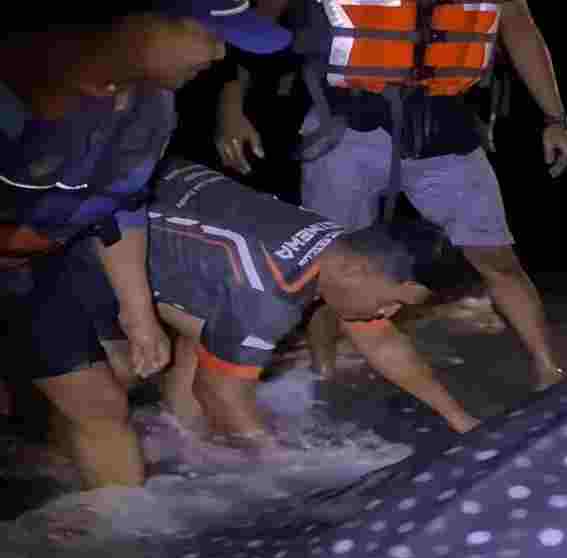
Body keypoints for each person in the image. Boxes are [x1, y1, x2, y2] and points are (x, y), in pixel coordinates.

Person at [0, 2, 292, 489]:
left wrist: (140, 317)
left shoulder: (153, 107)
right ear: (141, 20)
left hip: (40, 261)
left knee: (104, 400)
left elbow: (119, 208)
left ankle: (120, 540)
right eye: (210, 35)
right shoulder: (17, 84)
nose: (220, 54)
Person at [215, 0, 567, 393]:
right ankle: (323, 377)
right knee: (328, 266)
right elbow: (253, 24)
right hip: (345, 123)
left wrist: (555, 118)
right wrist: (230, 105)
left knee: (497, 259)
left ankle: (549, 372)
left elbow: (520, 28)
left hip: (445, 124)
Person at [142, 158, 480, 446]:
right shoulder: (267, 300)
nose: (389, 314)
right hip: (106, 230)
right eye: (391, 303)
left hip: (163, 181)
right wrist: (276, 465)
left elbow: (382, 342)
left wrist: (460, 419)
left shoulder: (336, 248)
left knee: (215, 333)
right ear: (355, 269)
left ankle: (180, 431)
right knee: (114, 384)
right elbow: (220, 392)